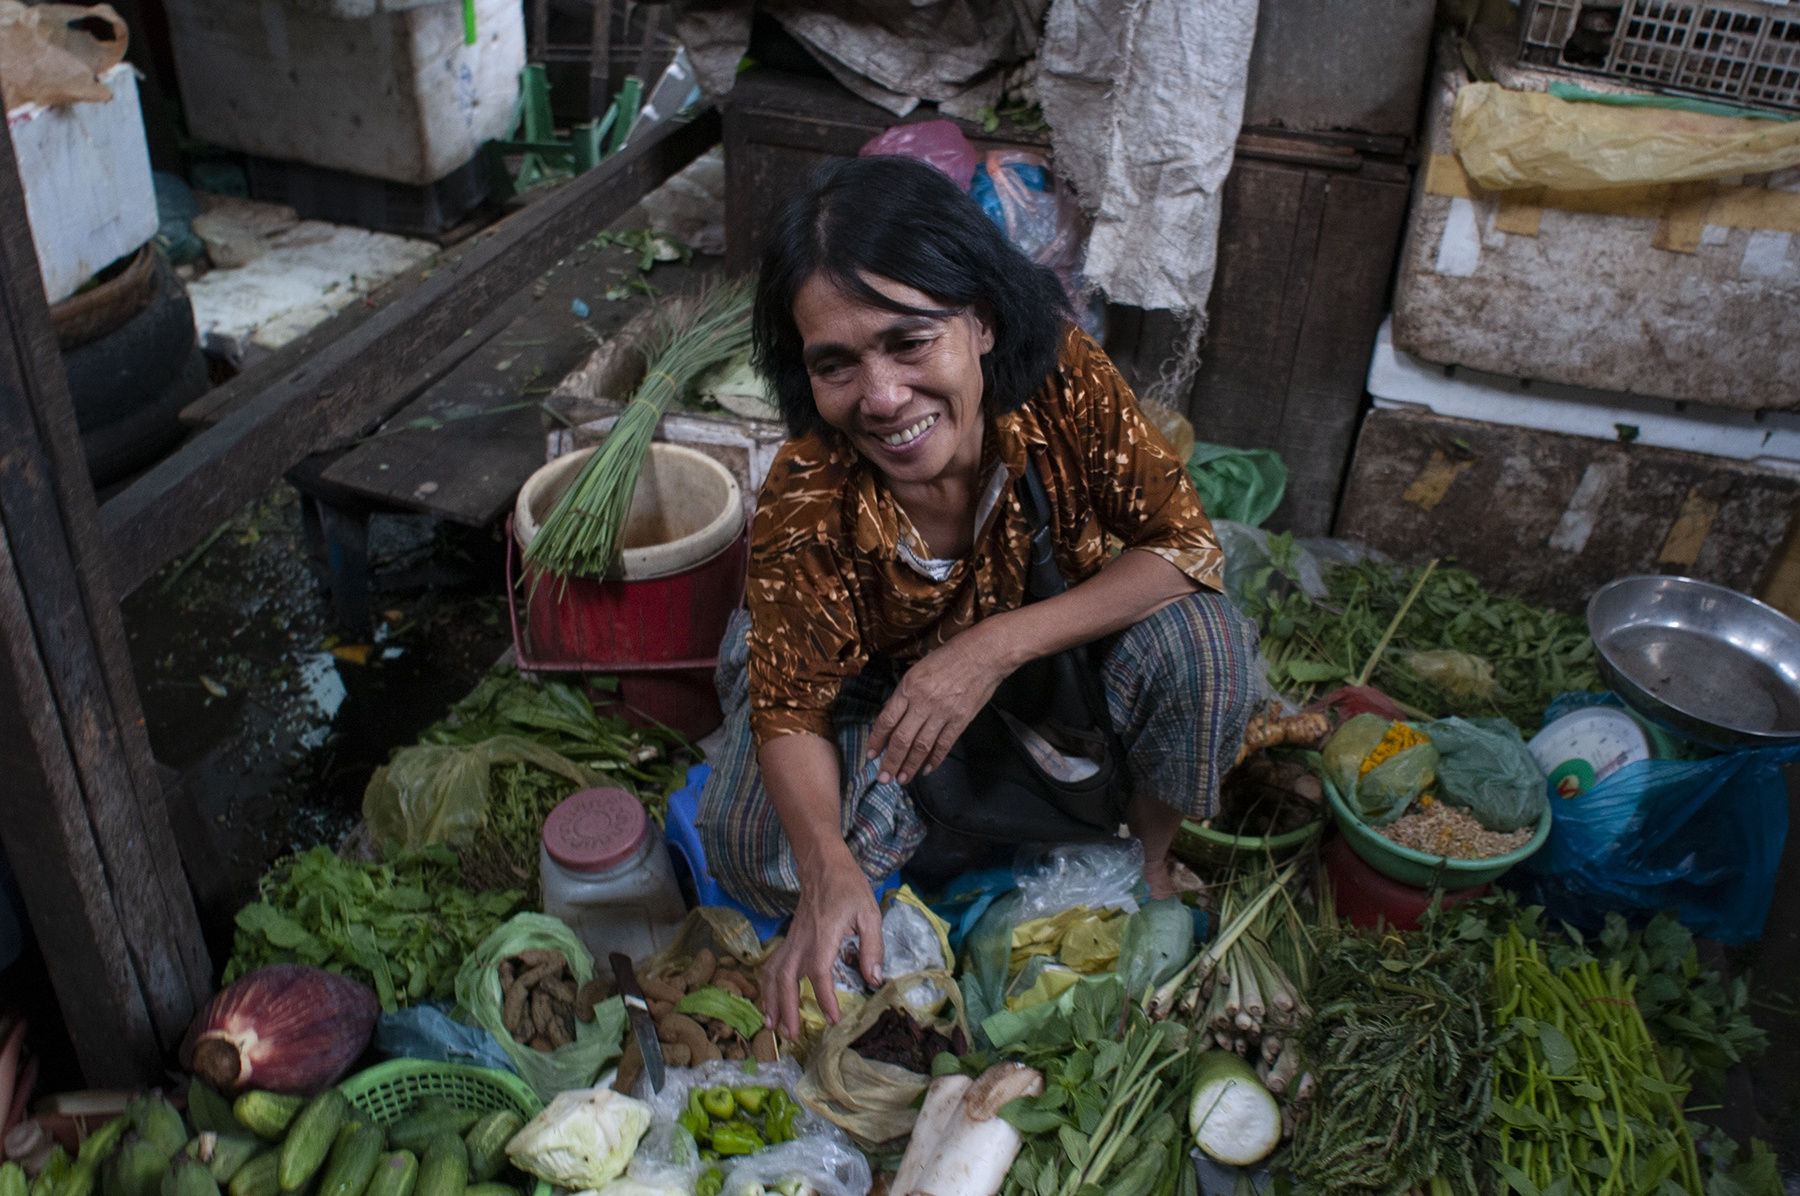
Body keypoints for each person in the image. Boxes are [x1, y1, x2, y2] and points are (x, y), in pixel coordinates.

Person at [696, 154, 1260, 1040]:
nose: (883, 398)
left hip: (1048, 657)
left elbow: (1184, 548)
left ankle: (1143, 858)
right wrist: (824, 861)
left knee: (1207, 648)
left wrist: (990, 647)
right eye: (836, 364)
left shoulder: (1062, 386)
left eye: (910, 341)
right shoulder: (810, 489)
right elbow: (790, 707)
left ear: (983, 323)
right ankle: (901, 841)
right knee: (748, 840)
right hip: (888, 695)